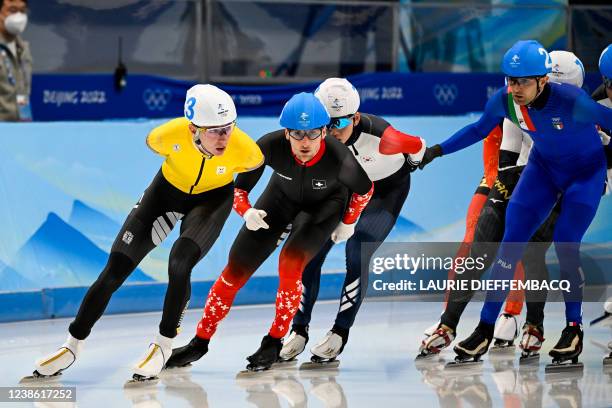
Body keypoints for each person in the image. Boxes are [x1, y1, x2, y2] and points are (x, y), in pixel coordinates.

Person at [28, 84, 264, 382]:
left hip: (211, 201)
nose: (224, 138)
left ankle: (164, 345)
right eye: (215, 131)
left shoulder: (245, 149)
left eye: (228, 128)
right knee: (114, 269)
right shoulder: (166, 136)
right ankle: (71, 346)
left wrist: (245, 203)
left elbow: (256, 166)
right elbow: (153, 144)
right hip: (165, 195)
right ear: (193, 129)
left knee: (179, 263)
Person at [420, 40, 612, 369]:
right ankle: (484, 329)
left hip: (584, 176)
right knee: (510, 244)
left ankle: (573, 329)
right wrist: (435, 151)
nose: (515, 88)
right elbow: (477, 129)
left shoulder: (573, 101)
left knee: (566, 245)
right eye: (510, 80)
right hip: (543, 169)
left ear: (543, 80)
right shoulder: (507, 101)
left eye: (523, 81)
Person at [166, 92, 374, 372]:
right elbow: (239, 189)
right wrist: (247, 211)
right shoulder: (269, 145)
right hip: (279, 199)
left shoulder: (339, 158)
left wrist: (348, 222)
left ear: (325, 132)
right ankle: (199, 342)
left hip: (324, 207)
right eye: (297, 134)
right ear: (285, 133)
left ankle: (274, 341)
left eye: (312, 134)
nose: (304, 142)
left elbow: (365, 190)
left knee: (290, 264)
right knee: (233, 271)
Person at [277, 78, 427, 364]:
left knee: (357, 252)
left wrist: (414, 161)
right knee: (311, 253)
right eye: (325, 124)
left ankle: (340, 332)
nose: (330, 132)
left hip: (385, 192)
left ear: (356, 118)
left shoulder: (382, 135)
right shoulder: (313, 135)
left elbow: (419, 146)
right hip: (344, 191)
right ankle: (298, 329)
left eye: (339, 123)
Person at [0, 0, 31, 121]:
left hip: (21, 128)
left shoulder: (24, 49)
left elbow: (24, 92)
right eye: (12, 10)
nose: (18, 16)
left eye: (22, 11)